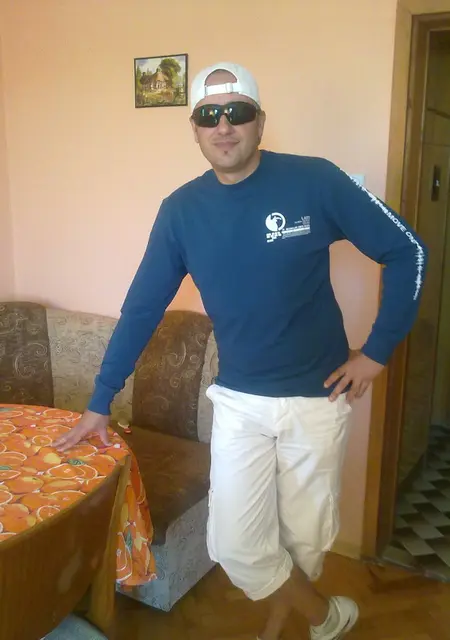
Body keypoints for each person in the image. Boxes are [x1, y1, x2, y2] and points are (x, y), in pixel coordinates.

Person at [55, 62, 428, 640]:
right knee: (236, 544)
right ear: (195, 129)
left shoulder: (315, 181)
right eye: (209, 115)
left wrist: (377, 352)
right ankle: (327, 617)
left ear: (259, 121)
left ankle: (283, 626)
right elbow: (141, 308)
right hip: (240, 401)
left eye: (237, 111)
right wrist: (100, 399)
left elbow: (408, 251)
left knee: (304, 541)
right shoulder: (181, 210)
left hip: (318, 399)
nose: (223, 125)